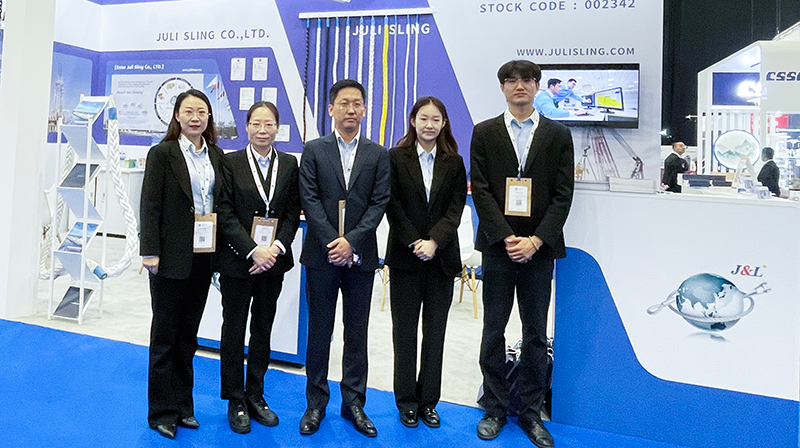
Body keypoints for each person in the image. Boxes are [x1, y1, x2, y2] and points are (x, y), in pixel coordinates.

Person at [470, 60, 574, 448]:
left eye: (527, 80)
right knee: (493, 330)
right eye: (511, 80)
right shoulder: (484, 132)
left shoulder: (558, 134)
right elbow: (481, 189)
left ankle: (530, 413)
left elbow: (563, 195)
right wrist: (507, 237)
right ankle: (495, 408)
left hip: (539, 251)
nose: (520, 86)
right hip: (499, 249)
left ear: (536, 86)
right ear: (502, 88)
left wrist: (536, 240)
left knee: (535, 334)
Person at [298, 79, 391, 437]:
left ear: (364, 110)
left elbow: (379, 202)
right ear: (331, 109)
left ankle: (354, 402)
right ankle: (315, 403)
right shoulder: (313, 150)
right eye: (344, 103)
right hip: (321, 256)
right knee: (319, 332)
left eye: (357, 104)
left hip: (361, 257)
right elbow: (309, 199)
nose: (351, 110)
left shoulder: (378, 154)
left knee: (356, 332)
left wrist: (351, 242)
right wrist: (332, 242)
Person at [140, 89, 225, 439]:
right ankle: (162, 411)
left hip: (203, 257)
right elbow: (150, 205)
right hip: (170, 256)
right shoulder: (163, 154)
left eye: (201, 111)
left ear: (209, 117)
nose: (195, 117)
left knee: (188, 336)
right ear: (176, 116)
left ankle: (183, 407)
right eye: (188, 111)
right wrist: (150, 252)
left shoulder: (216, 155)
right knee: (165, 336)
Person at [215, 101, 301, 434]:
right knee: (233, 329)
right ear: (247, 127)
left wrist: (275, 248)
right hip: (239, 261)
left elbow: (293, 212)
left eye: (269, 124)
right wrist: (253, 250)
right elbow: (224, 211)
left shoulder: (289, 164)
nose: (262, 130)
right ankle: (235, 399)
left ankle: (255, 395)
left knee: (263, 328)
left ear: (277, 128)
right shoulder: (230, 162)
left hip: (273, 264)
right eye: (256, 124)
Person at [385, 96, 467, 429]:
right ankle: (406, 401)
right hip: (405, 258)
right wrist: (415, 241)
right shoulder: (395, 157)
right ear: (413, 121)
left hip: (441, 259)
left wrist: (434, 241)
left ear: (444, 123)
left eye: (436, 119)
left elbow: (456, 208)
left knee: (435, 334)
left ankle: (429, 401)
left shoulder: (454, 161)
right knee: (404, 333)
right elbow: (392, 204)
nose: (429, 125)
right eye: (423, 118)